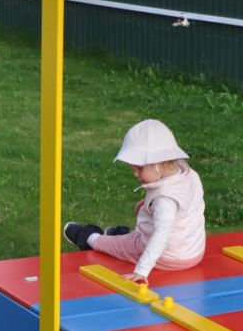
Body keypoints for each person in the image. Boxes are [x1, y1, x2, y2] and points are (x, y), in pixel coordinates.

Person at [64, 119, 206, 284]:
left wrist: (141, 270)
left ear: (160, 163)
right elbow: (185, 205)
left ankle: (87, 237)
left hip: (168, 257)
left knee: (117, 244)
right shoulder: (188, 175)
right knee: (130, 239)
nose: (135, 174)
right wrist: (147, 204)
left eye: (139, 168)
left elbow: (161, 235)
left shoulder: (164, 201)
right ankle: (119, 235)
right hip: (194, 251)